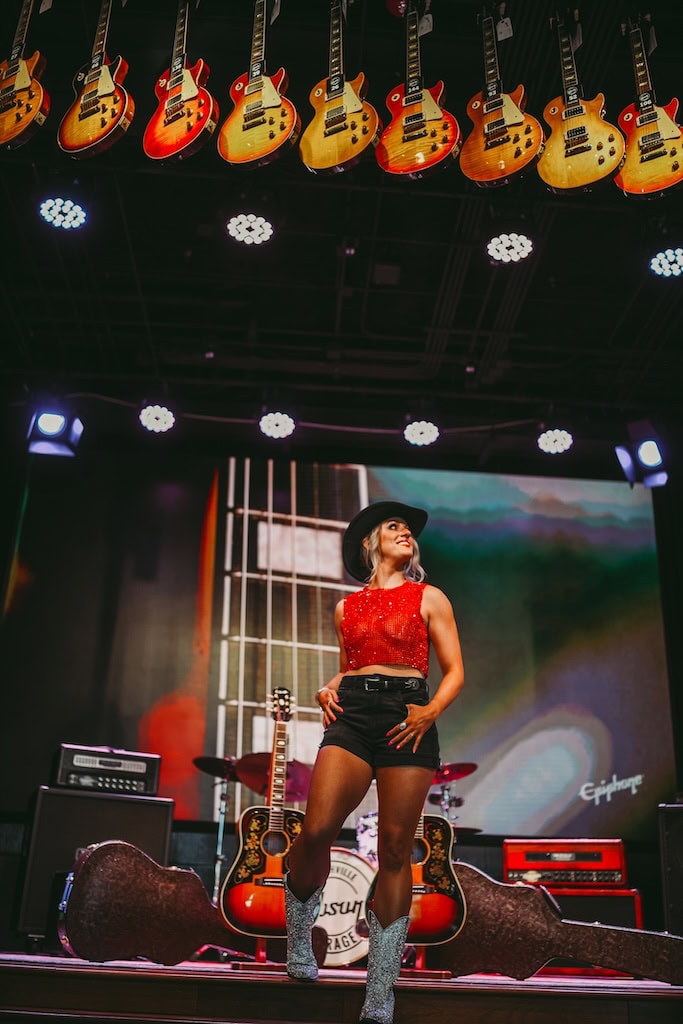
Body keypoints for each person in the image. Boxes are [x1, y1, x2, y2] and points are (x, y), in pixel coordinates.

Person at [285, 500, 465, 1024]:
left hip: (409, 715)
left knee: (393, 848)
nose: (406, 533)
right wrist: (328, 686)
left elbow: (454, 670)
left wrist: (430, 711)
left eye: (409, 530)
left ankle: (381, 988)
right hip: (354, 717)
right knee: (317, 829)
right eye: (394, 527)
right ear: (370, 543)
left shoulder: (430, 597)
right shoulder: (346, 608)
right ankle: (301, 936)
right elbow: (350, 669)